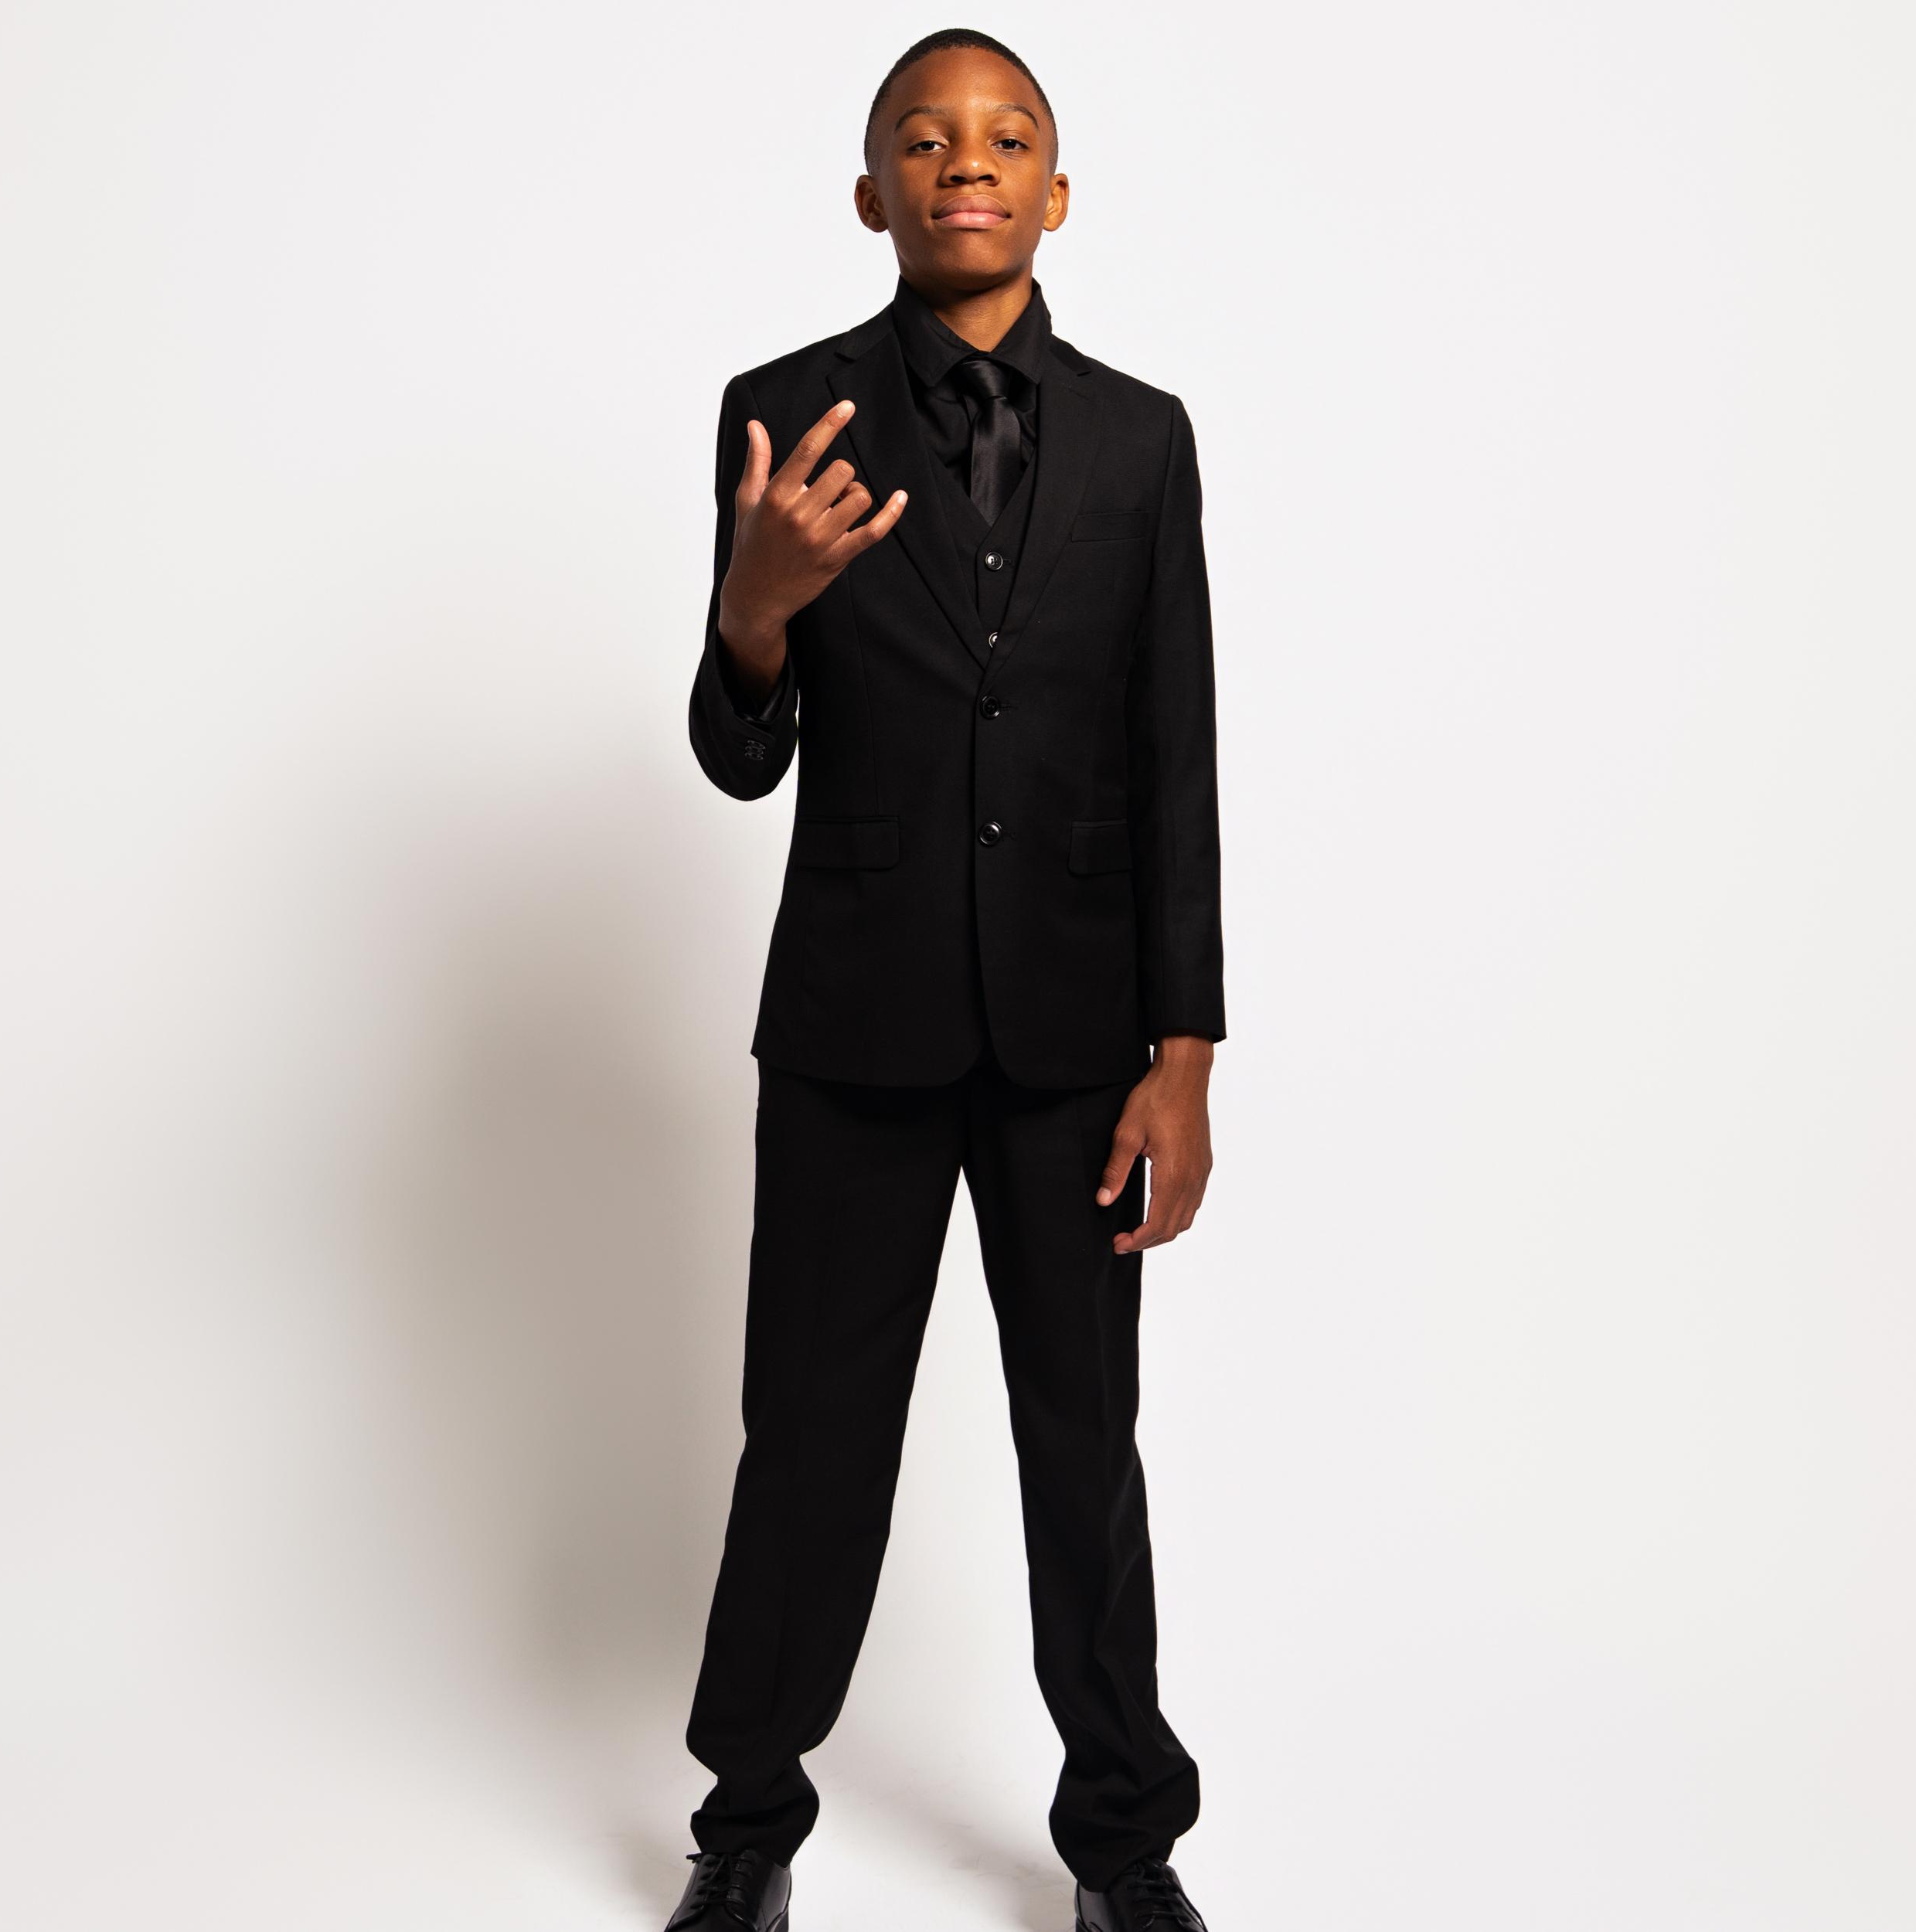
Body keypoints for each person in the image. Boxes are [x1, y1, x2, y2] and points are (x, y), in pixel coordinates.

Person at [669, 28, 1224, 1932]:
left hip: (1077, 1038)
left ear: (1053, 191)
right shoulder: (784, 415)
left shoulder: (1141, 440)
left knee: (1083, 1446)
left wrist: (1183, 1050)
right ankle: (746, 1825)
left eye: (1001, 138)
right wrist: (753, 611)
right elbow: (738, 751)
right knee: (810, 1441)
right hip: (853, 1023)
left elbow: (1172, 754)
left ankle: (1123, 1844)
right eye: (920, 137)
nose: (960, 160)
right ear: (870, 192)